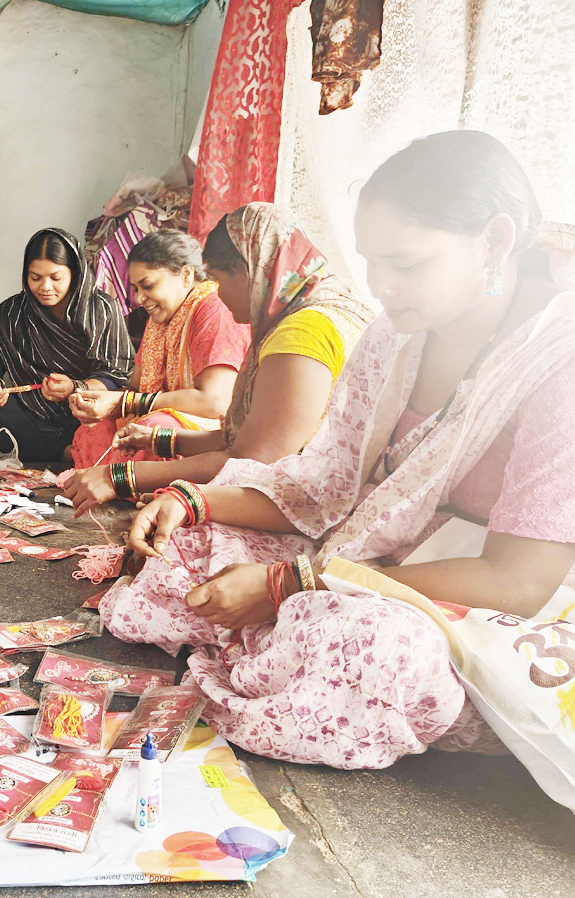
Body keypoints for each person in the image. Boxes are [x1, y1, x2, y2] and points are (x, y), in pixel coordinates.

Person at [107, 130, 575, 769]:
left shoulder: (560, 360)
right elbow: (323, 487)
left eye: (405, 264)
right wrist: (192, 503)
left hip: (486, 607)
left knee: (373, 650)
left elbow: (518, 582)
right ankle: (278, 641)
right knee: (188, 546)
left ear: (492, 241)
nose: (380, 285)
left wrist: (288, 583)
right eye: (371, 262)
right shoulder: (394, 338)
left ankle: (281, 647)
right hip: (366, 557)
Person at [61, 203, 373, 515]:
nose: (218, 293)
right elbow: (242, 440)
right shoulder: (308, 313)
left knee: (173, 538)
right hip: (283, 477)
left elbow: (251, 464)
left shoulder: (303, 334)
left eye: (219, 280)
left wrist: (119, 477)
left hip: (320, 504)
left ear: (253, 269)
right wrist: (160, 440)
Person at [68, 230, 251, 467]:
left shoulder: (213, 309)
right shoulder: (159, 320)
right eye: (135, 289)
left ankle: (130, 487)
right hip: (163, 414)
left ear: (186, 275)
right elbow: (135, 387)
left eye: (148, 285)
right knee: (98, 425)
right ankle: (104, 483)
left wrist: (123, 402)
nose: (140, 299)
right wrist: (98, 401)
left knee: (155, 430)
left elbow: (213, 404)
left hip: (211, 431)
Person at [0, 227, 133, 461]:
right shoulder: (11, 314)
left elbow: (116, 375)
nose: (45, 287)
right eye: (35, 278)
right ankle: (68, 452)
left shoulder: (102, 309)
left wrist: (75, 388)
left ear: (75, 273)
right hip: (31, 413)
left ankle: (67, 449)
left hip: (84, 412)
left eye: (56, 278)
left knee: (113, 422)